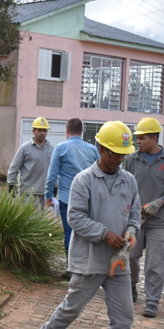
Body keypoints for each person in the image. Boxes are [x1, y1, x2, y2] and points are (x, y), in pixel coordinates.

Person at [36, 121, 141, 329]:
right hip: (90, 259)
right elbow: (74, 218)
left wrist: (131, 231)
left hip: (118, 262)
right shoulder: (84, 180)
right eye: (113, 153)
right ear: (100, 148)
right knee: (73, 307)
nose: (118, 159)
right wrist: (105, 234)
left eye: (122, 154)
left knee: (124, 314)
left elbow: (135, 214)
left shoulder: (129, 181)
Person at [125, 117, 164, 318]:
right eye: (137, 138)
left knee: (155, 263)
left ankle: (152, 301)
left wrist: (159, 202)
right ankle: (131, 286)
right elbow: (125, 185)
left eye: (142, 138)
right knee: (131, 256)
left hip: (159, 221)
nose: (138, 142)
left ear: (154, 138)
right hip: (135, 220)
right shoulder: (132, 159)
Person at [44, 118, 99, 279]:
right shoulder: (92, 150)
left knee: (69, 231)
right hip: (88, 198)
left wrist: (48, 195)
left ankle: (71, 268)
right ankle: (87, 266)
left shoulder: (61, 148)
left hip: (67, 197)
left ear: (67, 131)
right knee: (86, 231)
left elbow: (52, 174)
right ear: (81, 132)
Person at [6, 117, 52, 206]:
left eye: (44, 130)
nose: (42, 133)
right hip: (27, 193)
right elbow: (14, 167)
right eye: (39, 130)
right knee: (30, 219)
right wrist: (11, 184)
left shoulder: (50, 149)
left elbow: (54, 170)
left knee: (40, 219)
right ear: (33, 131)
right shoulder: (25, 148)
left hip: (43, 192)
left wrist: (54, 186)